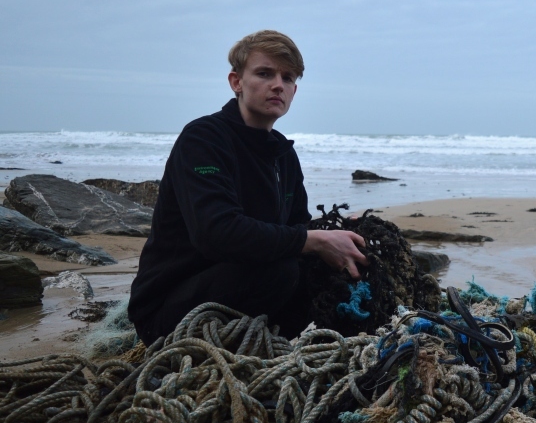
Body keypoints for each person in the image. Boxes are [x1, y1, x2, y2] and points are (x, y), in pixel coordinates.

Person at [129, 30, 368, 344]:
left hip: (242, 287)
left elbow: (296, 228)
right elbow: (216, 233)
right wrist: (313, 239)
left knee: (335, 262)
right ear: (236, 82)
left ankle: (273, 344)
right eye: (265, 73)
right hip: (167, 309)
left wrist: (335, 233)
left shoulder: (283, 154)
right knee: (281, 271)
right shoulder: (203, 139)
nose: (278, 85)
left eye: (288, 77)